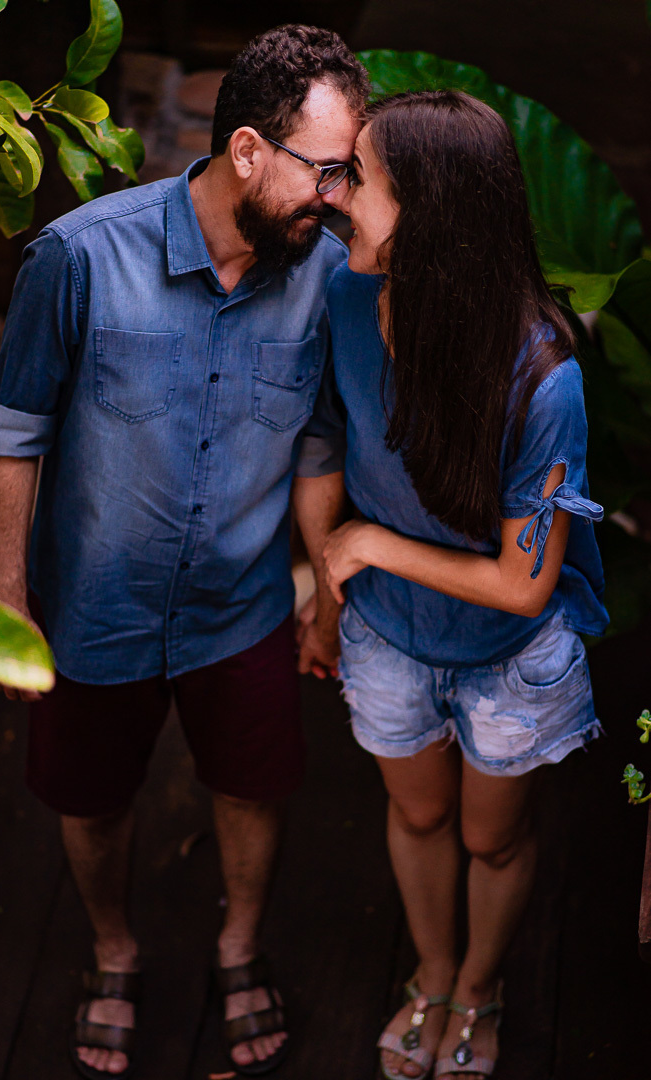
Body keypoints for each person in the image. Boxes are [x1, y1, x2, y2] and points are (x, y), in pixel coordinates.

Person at [0, 25, 367, 1079]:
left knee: (252, 788)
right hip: (92, 602)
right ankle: (113, 949)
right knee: (92, 801)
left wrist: (323, 585)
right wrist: (6, 594)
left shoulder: (324, 276)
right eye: (322, 169)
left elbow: (320, 445)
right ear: (247, 149)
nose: (336, 194)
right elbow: (14, 436)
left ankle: (239, 948)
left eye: (347, 171)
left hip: (239, 605)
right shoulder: (77, 257)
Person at [320, 90, 608, 1080]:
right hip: (388, 638)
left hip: (506, 657)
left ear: (433, 214)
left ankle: (481, 987)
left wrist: (365, 547)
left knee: (494, 839)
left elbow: (526, 587)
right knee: (417, 816)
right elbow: (328, 444)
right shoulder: (348, 294)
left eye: (358, 178)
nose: (335, 195)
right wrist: (325, 599)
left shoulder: (542, 375)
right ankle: (434, 973)